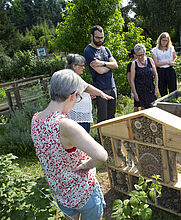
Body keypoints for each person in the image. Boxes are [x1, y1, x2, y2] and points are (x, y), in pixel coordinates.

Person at [31, 69, 108, 220]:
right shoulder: (65, 125)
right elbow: (102, 155)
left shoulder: (36, 119)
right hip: (83, 192)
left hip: (60, 191)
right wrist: (86, 165)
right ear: (73, 95)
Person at [66, 54, 113, 133]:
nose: (83, 68)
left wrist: (88, 95)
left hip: (80, 117)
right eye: (81, 66)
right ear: (74, 66)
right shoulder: (73, 77)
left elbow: (79, 92)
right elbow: (87, 87)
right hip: (79, 118)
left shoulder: (72, 76)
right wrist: (102, 94)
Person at [84, 25, 118, 123]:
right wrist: (109, 66)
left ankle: (111, 137)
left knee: (112, 116)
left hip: (112, 87)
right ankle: (102, 138)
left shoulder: (106, 49)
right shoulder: (88, 50)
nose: (100, 40)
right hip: (100, 88)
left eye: (102, 37)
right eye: (98, 37)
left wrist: (103, 63)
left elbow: (115, 65)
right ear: (92, 36)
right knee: (103, 118)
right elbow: (100, 71)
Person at [130, 43, 158, 110]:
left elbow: (156, 75)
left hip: (150, 89)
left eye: (141, 55)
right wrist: (135, 94)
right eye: (138, 55)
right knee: (143, 110)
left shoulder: (150, 60)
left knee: (153, 108)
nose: (140, 57)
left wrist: (156, 89)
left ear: (144, 53)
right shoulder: (134, 64)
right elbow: (131, 80)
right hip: (140, 90)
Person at [152, 32, 177, 97]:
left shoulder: (171, 48)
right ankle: (165, 104)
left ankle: (173, 103)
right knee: (162, 89)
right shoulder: (155, 50)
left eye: (166, 40)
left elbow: (175, 57)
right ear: (160, 40)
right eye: (163, 40)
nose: (164, 42)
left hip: (170, 70)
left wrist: (173, 62)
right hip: (160, 71)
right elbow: (156, 63)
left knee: (173, 89)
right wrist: (167, 62)